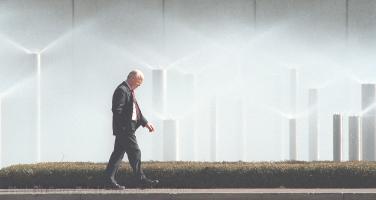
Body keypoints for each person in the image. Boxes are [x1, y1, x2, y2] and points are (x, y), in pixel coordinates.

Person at [105, 69, 159, 189]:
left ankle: (108, 180)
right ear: (132, 78)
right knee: (135, 152)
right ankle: (141, 179)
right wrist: (124, 128)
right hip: (126, 130)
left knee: (117, 155)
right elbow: (117, 110)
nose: (140, 85)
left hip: (125, 130)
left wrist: (146, 123)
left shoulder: (129, 91)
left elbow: (136, 112)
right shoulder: (122, 90)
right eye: (139, 81)